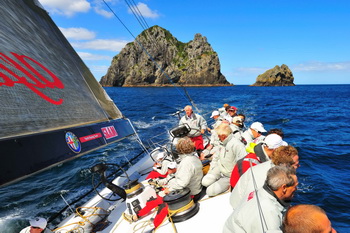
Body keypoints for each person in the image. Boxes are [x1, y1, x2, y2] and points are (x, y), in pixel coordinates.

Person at [223, 165, 298, 233]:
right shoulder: (269, 211)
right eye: (295, 186)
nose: (296, 189)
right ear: (284, 188)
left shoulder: (259, 192)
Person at [230, 145, 299, 209]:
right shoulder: (265, 177)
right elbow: (251, 202)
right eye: (296, 164)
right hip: (242, 207)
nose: (299, 166)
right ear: (286, 165)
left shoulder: (271, 167)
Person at [202, 123, 247, 196]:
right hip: (219, 169)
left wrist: (234, 183)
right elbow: (216, 158)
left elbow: (242, 166)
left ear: (223, 136)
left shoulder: (237, 145)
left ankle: (225, 184)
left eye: (218, 135)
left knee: (209, 192)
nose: (217, 137)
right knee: (205, 182)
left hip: (229, 175)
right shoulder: (221, 143)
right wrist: (211, 170)